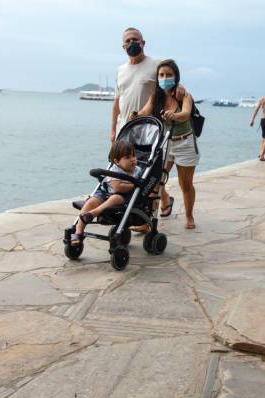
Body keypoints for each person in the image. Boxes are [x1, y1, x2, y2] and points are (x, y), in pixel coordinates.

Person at [110, 27, 184, 233]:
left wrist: (180, 88)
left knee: (149, 173)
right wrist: (113, 130)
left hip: (150, 131)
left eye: (135, 39)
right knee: (132, 172)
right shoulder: (120, 70)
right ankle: (159, 201)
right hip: (126, 129)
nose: (131, 43)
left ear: (143, 43)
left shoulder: (154, 65)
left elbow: (170, 79)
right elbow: (117, 102)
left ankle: (146, 219)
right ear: (123, 45)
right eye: (128, 41)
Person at [131, 59, 199, 229]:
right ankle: (147, 221)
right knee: (155, 181)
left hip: (185, 144)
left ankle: (189, 216)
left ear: (176, 77)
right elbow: (144, 112)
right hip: (165, 145)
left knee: (186, 184)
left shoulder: (184, 95)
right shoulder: (156, 96)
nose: (164, 78)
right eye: (161, 75)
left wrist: (175, 116)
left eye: (169, 75)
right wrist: (135, 116)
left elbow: (185, 113)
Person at [72, 140, 142, 245]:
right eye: (128, 157)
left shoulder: (138, 170)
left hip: (122, 197)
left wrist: (137, 185)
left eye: (134, 156)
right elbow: (117, 187)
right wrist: (134, 184)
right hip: (105, 192)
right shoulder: (114, 170)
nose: (133, 160)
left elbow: (121, 191)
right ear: (117, 161)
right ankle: (78, 231)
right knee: (91, 202)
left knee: (115, 198)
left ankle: (93, 213)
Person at [249, 82, 265, 161]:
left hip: (263, 120)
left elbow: (256, 110)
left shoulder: (262, 99)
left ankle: (260, 153)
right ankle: (261, 155)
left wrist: (252, 120)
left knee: (264, 138)